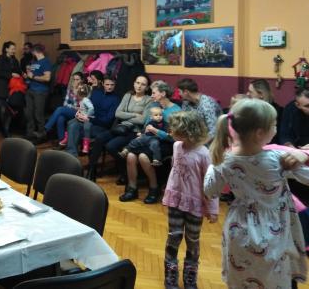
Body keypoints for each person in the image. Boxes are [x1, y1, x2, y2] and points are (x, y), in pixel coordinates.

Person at [204, 98, 309, 289]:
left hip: (239, 230)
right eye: (274, 125)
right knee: (274, 279)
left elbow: (210, 191)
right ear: (260, 133)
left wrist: (214, 163)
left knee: (243, 280)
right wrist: (305, 154)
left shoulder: (224, 160)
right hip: (274, 231)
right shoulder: (277, 158)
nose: (276, 129)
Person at [162, 111, 218, 289]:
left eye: (175, 129)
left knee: (193, 240)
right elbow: (175, 169)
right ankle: (170, 276)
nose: (171, 132)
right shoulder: (176, 145)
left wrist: (213, 209)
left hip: (195, 204)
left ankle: (190, 277)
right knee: (173, 237)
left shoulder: (204, 154)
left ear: (188, 132)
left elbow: (210, 184)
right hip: (176, 200)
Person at [120, 81, 181, 204]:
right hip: (149, 140)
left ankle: (154, 188)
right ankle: (132, 188)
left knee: (143, 156)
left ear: (163, 94)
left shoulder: (175, 110)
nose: (151, 95)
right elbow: (147, 126)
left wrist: (156, 131)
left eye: (154, 93)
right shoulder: (154, 106)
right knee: (130, 155)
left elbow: (174, 137)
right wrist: (143, 133)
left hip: (165, 143)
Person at [87, 75, 152, 182]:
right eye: (137, 83)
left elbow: (142, 120)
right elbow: (117, 113)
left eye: (143, 84)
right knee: (99, 138)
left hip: (134, 131)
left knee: (111, 146)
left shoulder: (148, 100)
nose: (139, 86)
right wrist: (135, 114)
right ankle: (91, 171)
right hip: (120, 127)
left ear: (147, 87)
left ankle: (125, 172)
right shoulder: (128, 95)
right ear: (134, 83)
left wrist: (126, 115)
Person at [65, 75, 119, 157]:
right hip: (88, 120)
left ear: (115, 85)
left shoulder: (116, 99)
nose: (110, 87)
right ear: (103, 84)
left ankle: (73, 154)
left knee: (77, 129)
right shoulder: (96, 92)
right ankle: (71, 153)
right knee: (72, 125)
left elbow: (108, 120)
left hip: (101, 126)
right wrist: (79, 114)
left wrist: (89, 118)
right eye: (107, 84)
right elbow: (85, 106)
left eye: (112, 85)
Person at [45, 72, 84, 144]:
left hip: (80, 113)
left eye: (77, 79)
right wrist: (73, 107)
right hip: (71, 111)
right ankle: (62, 141)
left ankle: (46, 129)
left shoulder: (84, 89)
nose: (75, 81)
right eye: (74, 79)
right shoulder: (70, 89)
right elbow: (65, 103)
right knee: (60, 118)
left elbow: (82, 106)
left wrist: (76, 93)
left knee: (60, 109)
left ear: (81, 80)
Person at [24, 44, 52, 143]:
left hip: (40, 91)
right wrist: (27, 75)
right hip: (30, 90)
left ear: (35, 51)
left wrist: (33, 77)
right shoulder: (34, 62)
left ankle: (41, 136)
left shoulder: (46, 62)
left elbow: (47, 78)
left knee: (38, 114)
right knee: (29, 114)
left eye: (32, 51)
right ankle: (30, 134)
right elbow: (31, 75)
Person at [0, 41, 21, 137]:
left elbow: (18, 71)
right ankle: (4, 131)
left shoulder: (15, 60)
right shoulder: (1, 58)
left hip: (13, 87)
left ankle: (6, 129)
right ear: (6, 49)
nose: (14, 51)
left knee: (10, 109)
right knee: (2, 109)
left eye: (14, 49)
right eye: (12, 49)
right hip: (1, 88)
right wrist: (11, 74)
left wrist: (21, 74)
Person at [247, 78, 283, 142]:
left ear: (261, 94)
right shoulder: (249, 109)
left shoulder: (277, 112)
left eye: (250, 92)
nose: (247, 94)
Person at [74, 85, 95, 153]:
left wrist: (87, 116)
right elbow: (82, 108)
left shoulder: (85, 100)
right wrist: (77, 112)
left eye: (77, 95)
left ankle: (86, 145)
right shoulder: (81, 100)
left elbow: (91, 108)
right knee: (72, 123)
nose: (76, 97)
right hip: (82, 117)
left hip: (88, 118)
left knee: (86, 127)